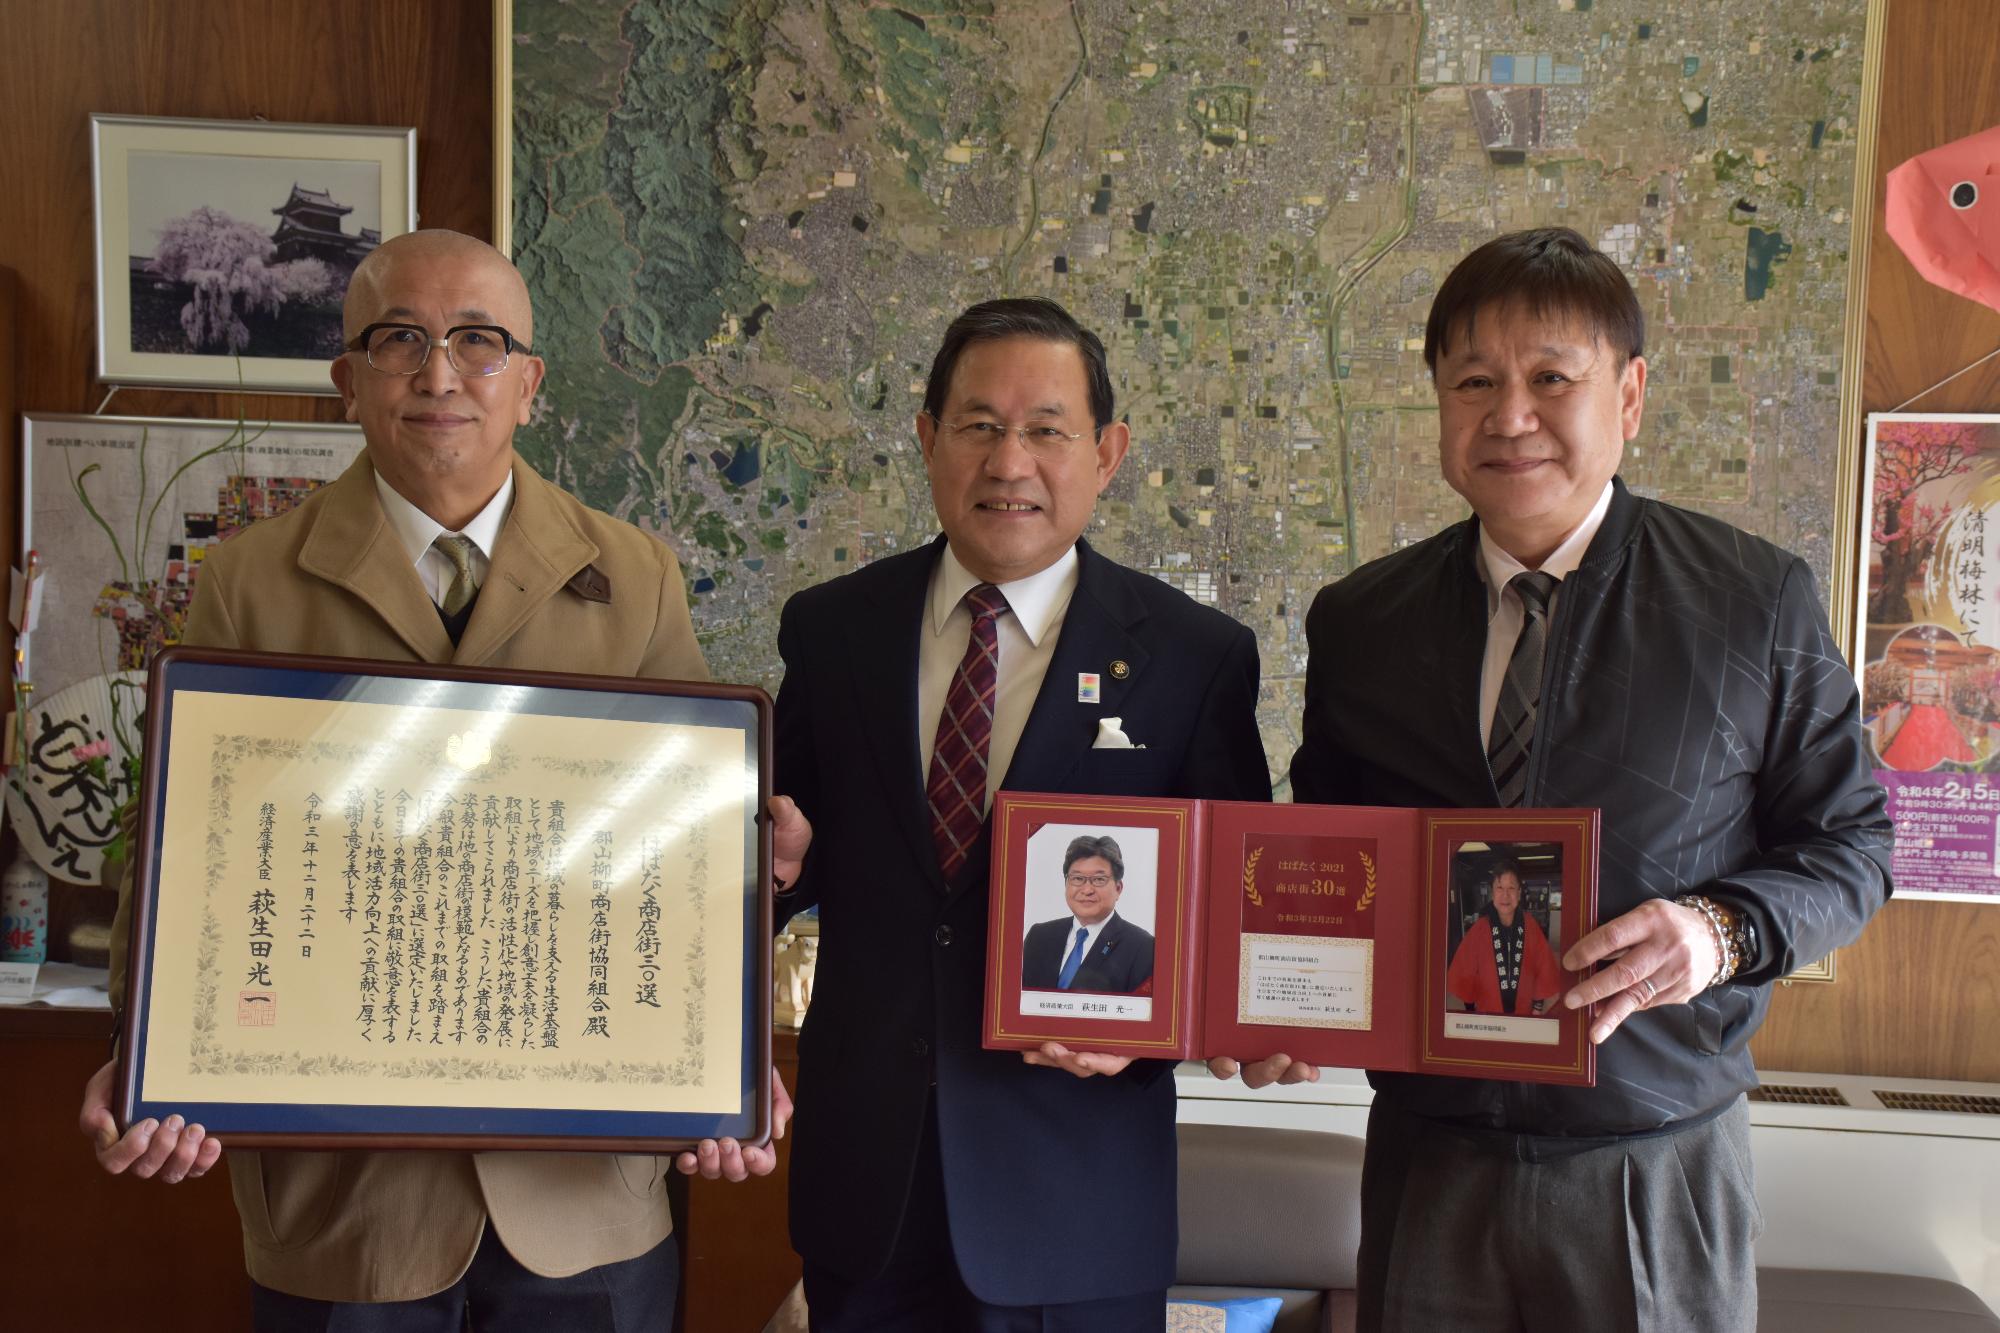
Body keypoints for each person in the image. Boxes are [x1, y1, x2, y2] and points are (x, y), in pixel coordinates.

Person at [76, 230, 809, 1331]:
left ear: (528, 383)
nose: (438, 373)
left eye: (477, 341)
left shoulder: (637, 573)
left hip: (584, 1195)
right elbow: (188, 841)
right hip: (348, 1200)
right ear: (348, 381)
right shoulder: (246, 579)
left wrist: (727, 1052)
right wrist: (143, 1060)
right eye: (399, 341)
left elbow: (684, 850)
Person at [1257, 227, 1892, 1332]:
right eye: (1473, 382)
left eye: (1551, 377)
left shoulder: (1753, 602)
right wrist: (1273, 995)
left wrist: (1716, 931)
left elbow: (1851, 847)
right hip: (1430, 1158)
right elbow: (1326, 854)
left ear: (1628, 394)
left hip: (1653, 1161)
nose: (1510, 416)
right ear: (1439, 406)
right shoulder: (1361, 620)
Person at [774, 297, 1269, 1330]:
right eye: (977, 426)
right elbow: (798, 853)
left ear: (1106, 450)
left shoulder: (1191, 657)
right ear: (926, 439)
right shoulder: (833, 630)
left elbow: (1228, 918)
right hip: (867, 1190)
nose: (1009, 462)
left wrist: (1151, 1031)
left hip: (1075, 1204)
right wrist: (773, 867)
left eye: (1045, 428)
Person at [1020, 833, 1155, 993]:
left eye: (1099, 879)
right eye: (1077, 878)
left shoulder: (1142, 947)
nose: (1087, 890)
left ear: (1118, 888)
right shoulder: (1039, 937)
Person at [1445, 861, 1560, 1015]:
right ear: (1492, 893)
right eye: (1500, 888)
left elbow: (1543, 968)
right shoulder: (1480, 928)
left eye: (1511, 888)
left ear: (1519, 893)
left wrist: (1537, 1008)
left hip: (1524, 1014)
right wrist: (1471, 1011)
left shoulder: (1530, 926)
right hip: (1488, 1015)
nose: (1505, 895)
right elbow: (1465, 973)